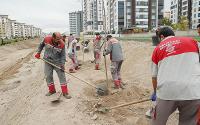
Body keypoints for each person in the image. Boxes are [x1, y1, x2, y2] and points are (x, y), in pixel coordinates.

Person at [150, 27, 200, 125]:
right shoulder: (193, 42)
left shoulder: (157, 48)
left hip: (167, 91)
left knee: (157, 121)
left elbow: (154, 76)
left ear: (161, 37)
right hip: (193, 91)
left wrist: (156, 92)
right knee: (189, 122)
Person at [34, 32, 71, 99]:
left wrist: (62, 65)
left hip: (57, 62)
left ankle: (65, 92)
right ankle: (52, 90)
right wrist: (38, 52)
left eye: (59, 39)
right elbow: (41, 45)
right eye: (57, 39)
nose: (58, 41)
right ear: (53, 37)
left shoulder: (62, 44)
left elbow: (63, 56)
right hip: (47, 61)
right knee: (48, 76)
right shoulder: (46, 39)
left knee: (62, 76)